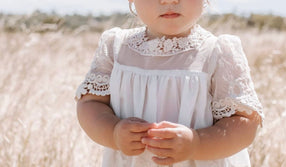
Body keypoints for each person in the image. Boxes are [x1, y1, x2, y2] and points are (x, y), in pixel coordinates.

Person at [75, 0, 264, 166]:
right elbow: (91, 103)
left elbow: (244, 123)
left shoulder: (218, 52)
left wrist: (197, 143)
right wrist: (113, 133)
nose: (169, 0)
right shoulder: (115, 48)